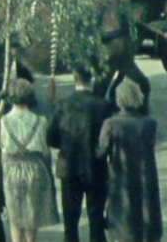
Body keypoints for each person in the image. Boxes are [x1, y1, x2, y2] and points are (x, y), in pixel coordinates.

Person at [47, 67, 114, 242]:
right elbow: (110, 138)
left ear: (74, 78)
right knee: (96, 221)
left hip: (69, 167)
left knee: (70, 223)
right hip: (96, 166)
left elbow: (51, 137)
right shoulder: (104, 105)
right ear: (91, 79)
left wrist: (65, 145)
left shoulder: (61, 104)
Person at [98, 80, 163, 242]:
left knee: (123, 220)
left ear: (118, 99)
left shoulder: (111, 124)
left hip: (121, 176)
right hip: (145, 176)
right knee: (145, 214)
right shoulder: (150, 124)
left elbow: (102, 150)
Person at [0, 78, 60, 242]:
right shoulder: (41, 121)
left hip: (12, 169)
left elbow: (1, 148)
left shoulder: (2, 122)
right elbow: (44, 150)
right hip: (35, 168)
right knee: (32, 218)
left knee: (15, 218)